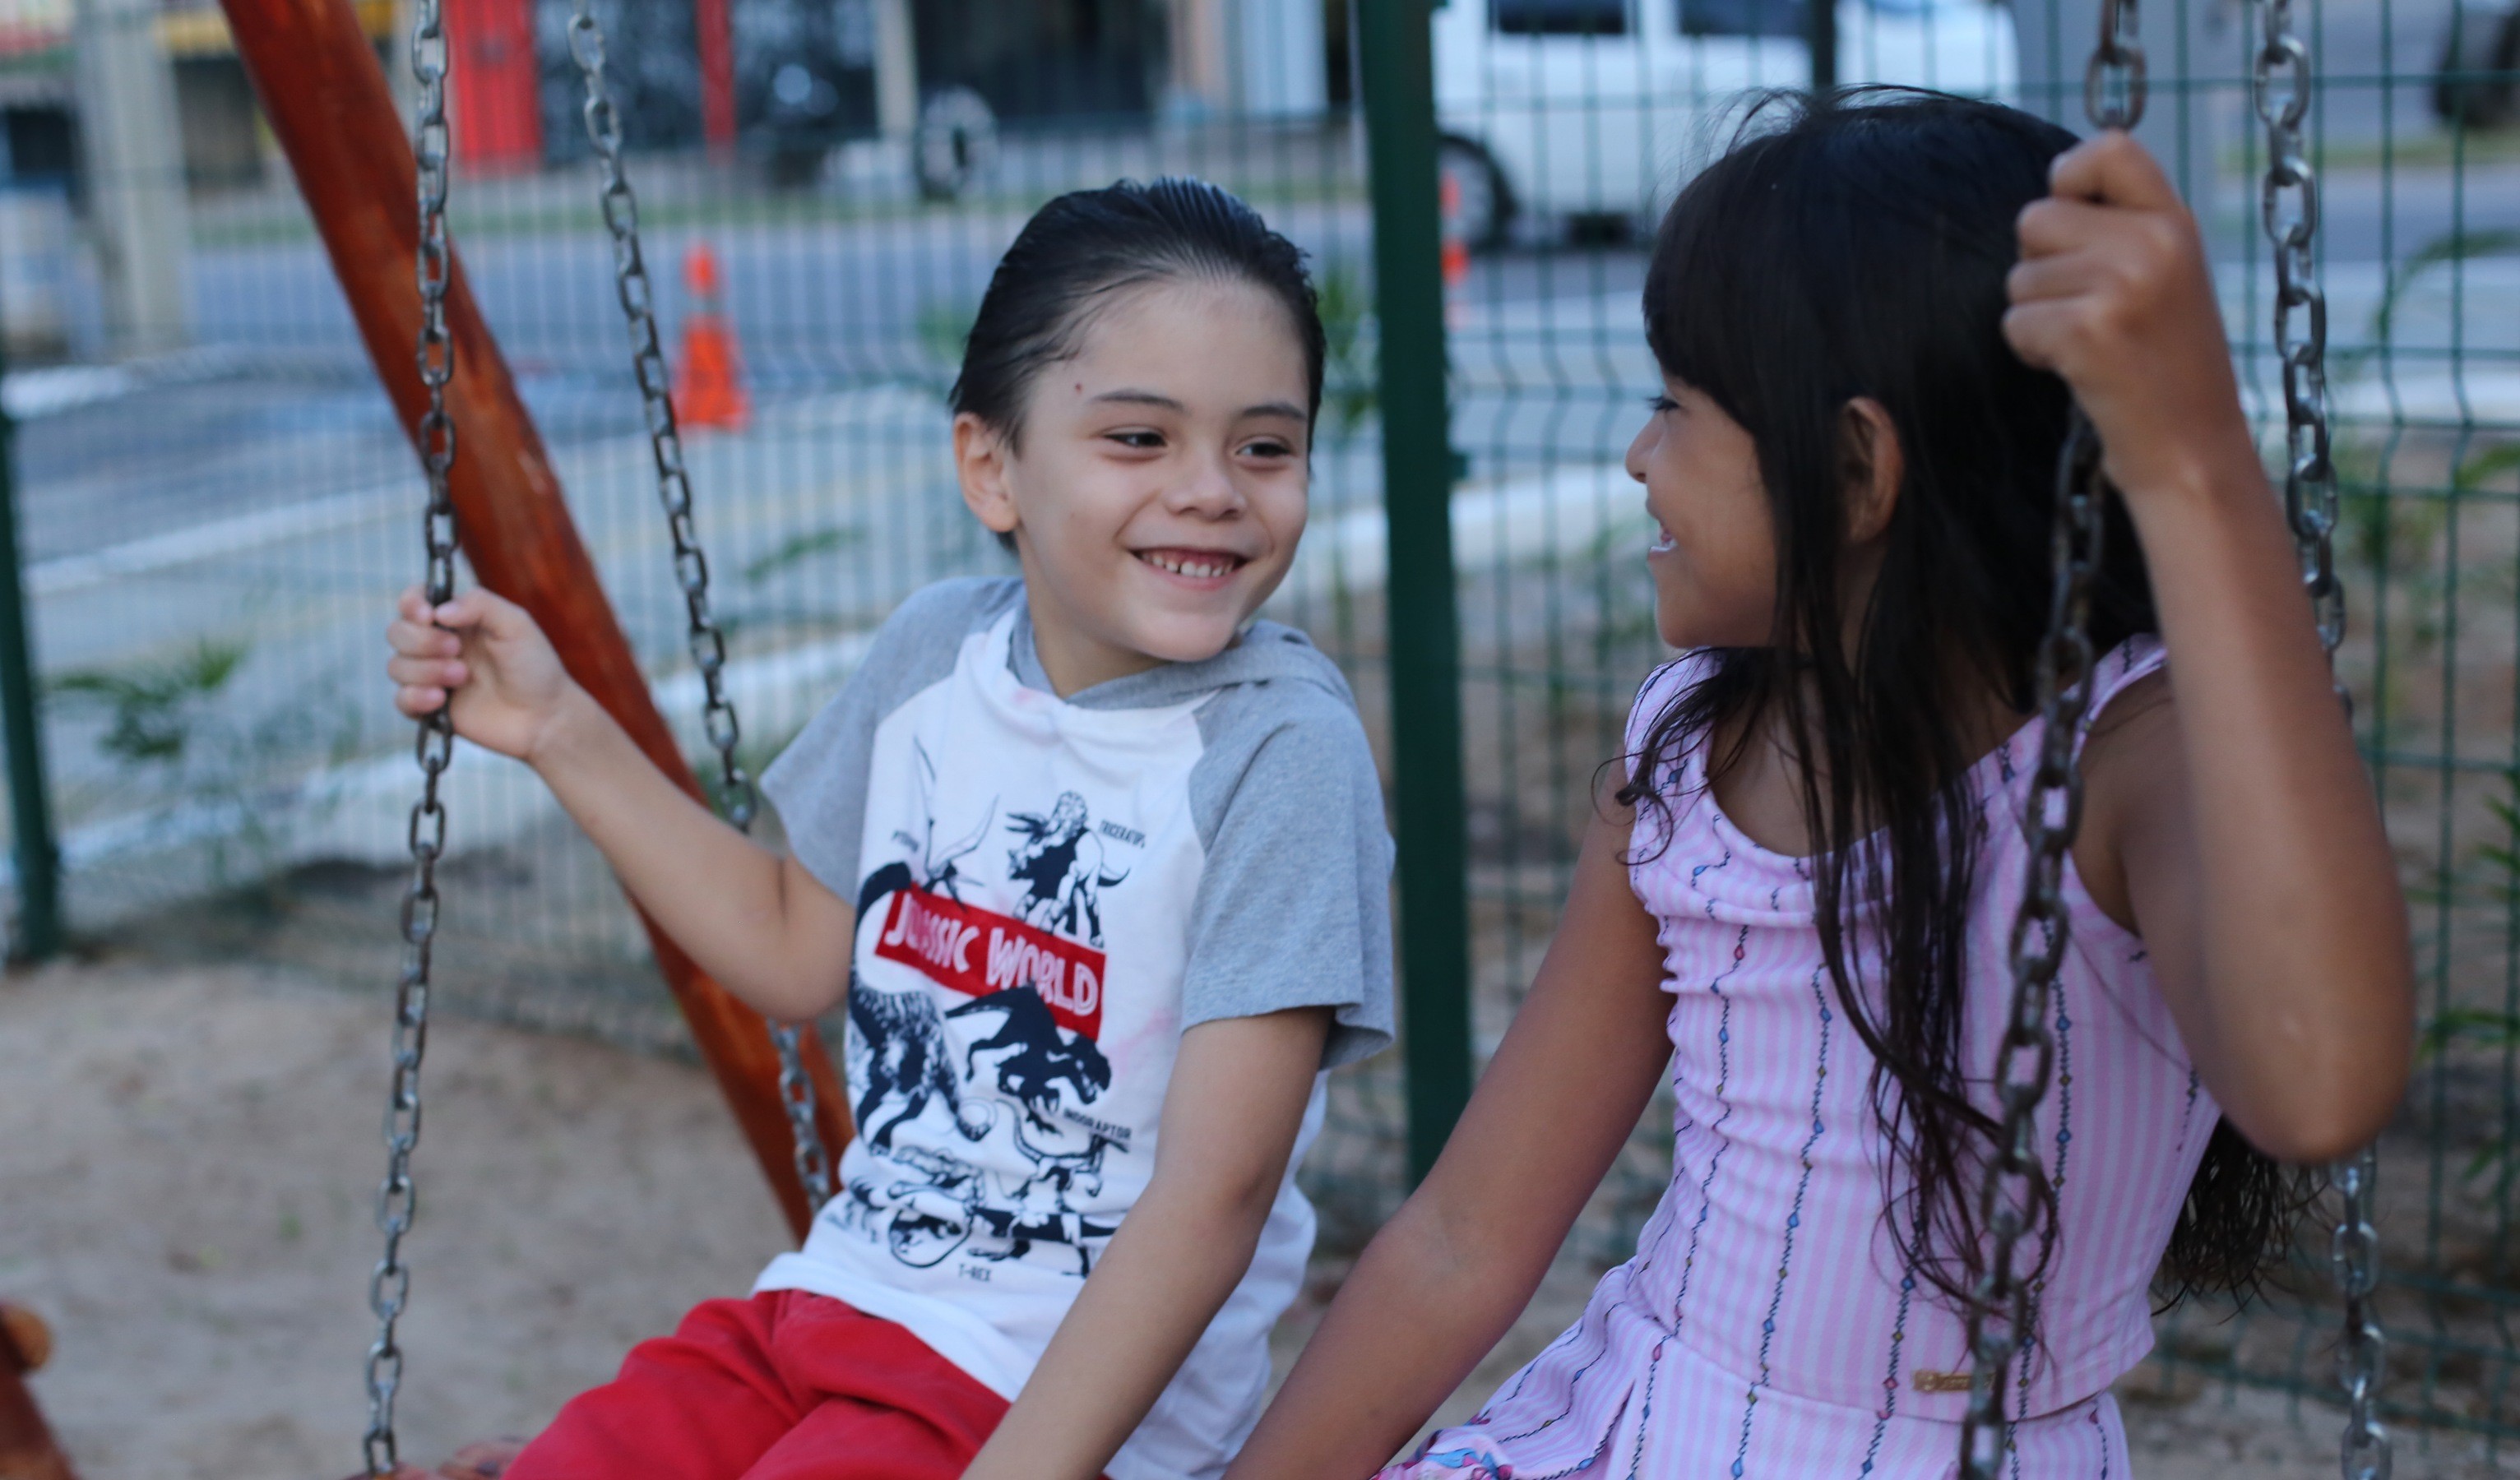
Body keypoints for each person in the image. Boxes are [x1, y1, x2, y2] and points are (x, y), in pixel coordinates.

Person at [1227, 93, 2413, 1478]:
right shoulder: (1696, 745)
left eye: (1675, 406)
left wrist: (2196, 461)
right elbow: (1464, 1237)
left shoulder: (2127, 765)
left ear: (1855, 470)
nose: (1636, 455)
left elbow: (2322, 1085)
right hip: (1642, 1421)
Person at [382, 178, 1393, 1480]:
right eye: (1139, 439)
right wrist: (557, 729)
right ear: (992, 466)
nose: (1213, 491)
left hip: (1050, 1396)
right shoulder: (938, 654)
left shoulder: (1276, 752)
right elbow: (796, 946)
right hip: (832, 1308)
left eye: (1265, 446)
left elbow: (1217, 1198)